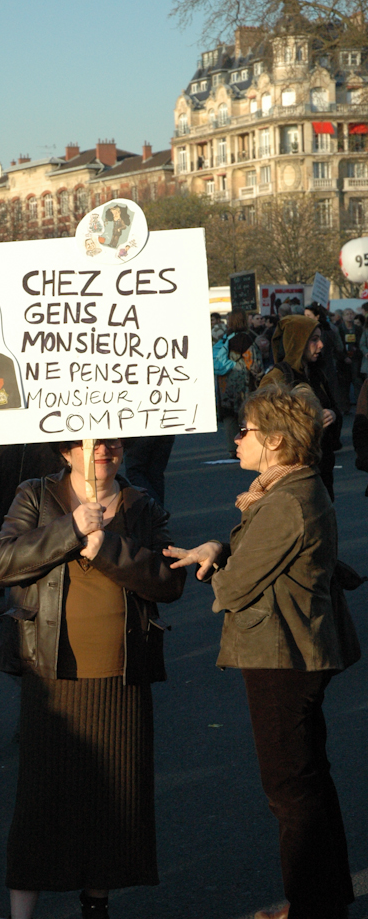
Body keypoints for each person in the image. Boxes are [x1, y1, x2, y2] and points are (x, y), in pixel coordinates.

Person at [163, 385, 353, 919]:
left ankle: (312, 905)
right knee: (307, 780)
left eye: (243, 430)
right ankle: (322, 898)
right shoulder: (288, 490)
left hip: (283, 653)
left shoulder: (286, 499)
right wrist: (220, 546)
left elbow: (237, 586)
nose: (236, 438)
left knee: (290, 790)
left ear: (274, 440)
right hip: (291, 649)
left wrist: (216, 560)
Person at [0, 438, 185, 919]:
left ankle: (96, 902)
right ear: (66, 452)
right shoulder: (37, 495)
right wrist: (70, 528)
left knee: (112, 802)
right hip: (51, 677)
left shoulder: (141, 504)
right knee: (40, 801)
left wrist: (107, 549)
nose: (103, 449)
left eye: (112, 442)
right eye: (89, 441)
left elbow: (168, 580)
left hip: (121, 677)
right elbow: (1, 563)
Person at [260, 315, 341, 499]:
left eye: (319, 339)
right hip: (294, 470)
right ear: (297, 342)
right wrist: (306, 420)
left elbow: (333, 406)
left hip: (322, 464)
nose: (320, 345)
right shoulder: (277, 377)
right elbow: (261, 421)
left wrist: (332, 415)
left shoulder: (316, 373)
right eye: (313, 339)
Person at [214, 309, 263, 457]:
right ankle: (245, 446)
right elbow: (253, 363)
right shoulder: (245, 339)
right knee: (245, 415)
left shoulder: (224, 338)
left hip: (224, 384)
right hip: (242, 383)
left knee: (229, 417)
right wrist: (260, 377)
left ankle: (231, 448)